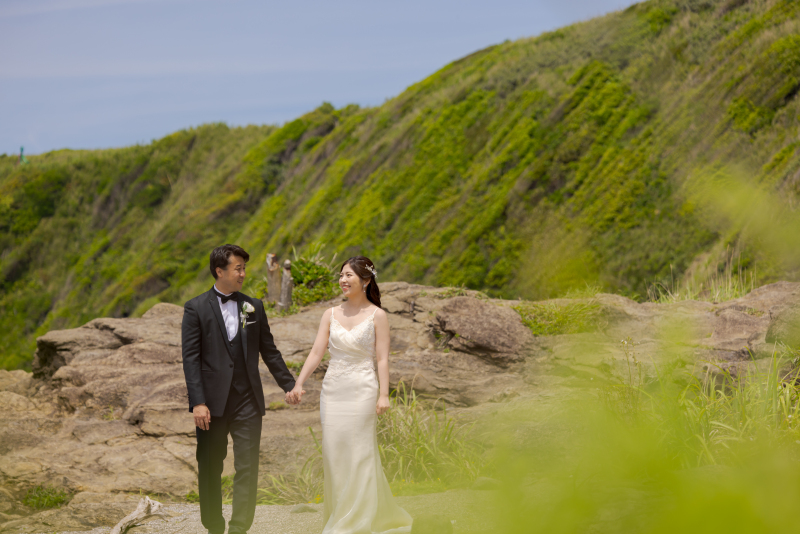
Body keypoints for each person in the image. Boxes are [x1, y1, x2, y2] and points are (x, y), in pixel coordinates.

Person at [288, 256, 413, 534]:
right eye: (341, 275)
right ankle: (342, 514)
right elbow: (316, 352)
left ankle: (356, 522)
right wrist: (299, 383)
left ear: (366, 281)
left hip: (362, 389)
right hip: (333, 391)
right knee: (334, 453)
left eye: (349, 276)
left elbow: (382, 359)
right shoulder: (330, 314)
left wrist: (384, 394)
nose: (343, 280)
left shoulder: (377, 316)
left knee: (360, 452)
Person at [181, 244, 299, 534]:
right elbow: (191, 359)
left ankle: (239, 528)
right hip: (211, 404)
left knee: (247, 467)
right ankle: (214, 527)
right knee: (210, 466)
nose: (244, 273)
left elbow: (268, 351)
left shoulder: (253, 306)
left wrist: (289, 385)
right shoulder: (195, 308)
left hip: (248, 402)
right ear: (219, 271)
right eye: (238, 268)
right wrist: (198, 402)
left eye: (244, 268)